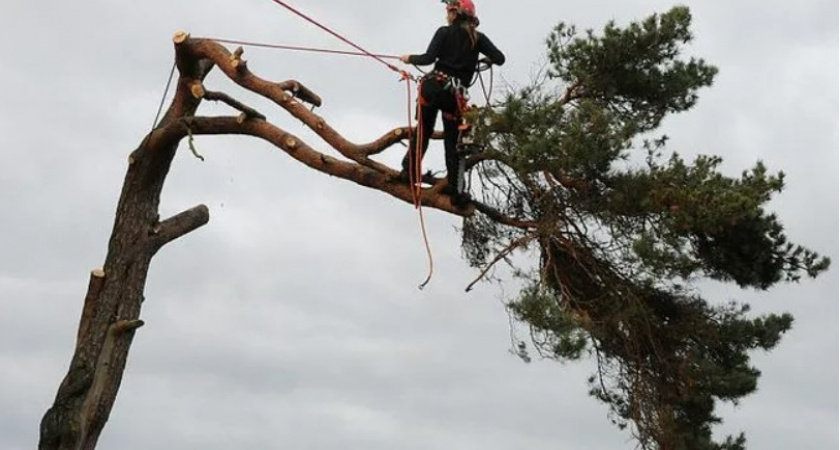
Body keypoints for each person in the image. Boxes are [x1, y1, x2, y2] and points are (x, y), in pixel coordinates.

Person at [398, 0, 505, 202]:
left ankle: (408, 171)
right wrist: (486, 60)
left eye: (448, 11)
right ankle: (456, 191)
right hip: (453, 97)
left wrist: (408, 58)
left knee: (423, 131)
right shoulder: (478, 39)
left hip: (432, 89)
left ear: (454, 13)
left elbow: (428, 58)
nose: (447, 15)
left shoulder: (444, 32)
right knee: (451, 142)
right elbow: (500, 58)